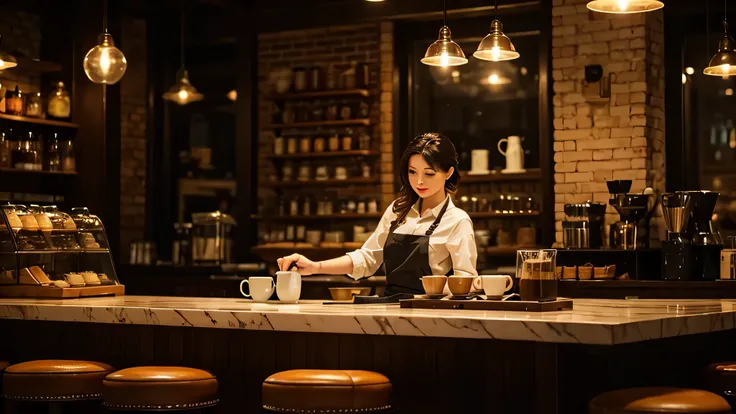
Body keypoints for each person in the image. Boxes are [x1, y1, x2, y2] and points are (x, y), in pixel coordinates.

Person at [277, 132, 478, 295]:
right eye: (412, 172)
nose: (419, 182)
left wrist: (432, 292)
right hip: (391, 309)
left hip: (433, 313)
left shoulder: (458, 221)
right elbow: (368, 259)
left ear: (449, 173)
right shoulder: (397, 210)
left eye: (429, 174)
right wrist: (314, 267)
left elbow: (465, 281)